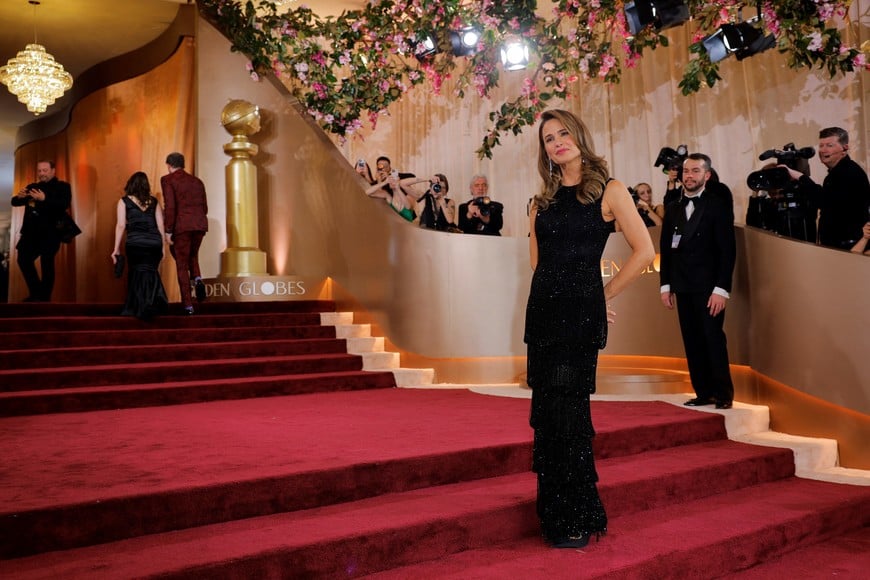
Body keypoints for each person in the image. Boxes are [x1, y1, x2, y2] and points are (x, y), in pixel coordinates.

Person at [524, 109, 654, 549]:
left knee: (569, 416)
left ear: (579, 136)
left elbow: (644, 251)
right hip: (542, 315)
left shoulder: (610, 190)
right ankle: (552, 509)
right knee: (546, 416)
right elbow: (537, 266)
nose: (557, 142)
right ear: (543, 151)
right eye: (548, 139)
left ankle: (575, 513)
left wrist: (601, 297)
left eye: (563, 133)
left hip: (578, 319)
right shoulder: (539, 202)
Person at [660, 153, 737, 410]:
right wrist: (666, 285)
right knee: (691, 340)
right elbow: (666, 249)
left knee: (713, 338)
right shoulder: (673, 207)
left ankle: (723, 394)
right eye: (686, 171)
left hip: (709, 287)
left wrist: (721, 289)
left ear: (707, 175)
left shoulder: (717, 205)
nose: (689, 176)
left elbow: (728, 251)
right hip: (682, 286)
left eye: (695, 171)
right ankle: (703, 392)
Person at [783, 127, 870, 250]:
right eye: (821, 145)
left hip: (850, 247)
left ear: (845, 148)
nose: (823, 150)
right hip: (838, 246)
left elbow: (825, 201)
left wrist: (800, 177)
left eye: (829, 145)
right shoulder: (836, 173)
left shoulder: (850, 172)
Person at [11, 160, 72, 302]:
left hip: (51, 233)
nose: (42, 174)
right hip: (30, 233)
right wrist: (18, 197)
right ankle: (37, 293)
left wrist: (44, 198)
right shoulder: (33, 186)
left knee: (47, 263)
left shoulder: (63, 187)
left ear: (53, 171)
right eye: (39, 171)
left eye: (45, 170)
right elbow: (15, 202)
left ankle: (43, 298)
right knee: (23, 259)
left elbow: (64, 205)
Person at [111, 172, 169, 319]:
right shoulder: (154, 201)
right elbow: (160, 225)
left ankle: (137, 306)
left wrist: (116, 249)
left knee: (136, 272)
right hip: (154, 242)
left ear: (131, 184)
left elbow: (121, 225)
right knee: (151, 272)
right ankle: (152, 304)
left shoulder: (124, 201)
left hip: (135, 243)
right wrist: (162, 246)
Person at [161, 152, 209, 314]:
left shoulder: (168, 180)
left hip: (182, 226)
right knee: (192, 256)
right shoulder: (197, 181)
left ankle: (188, 305)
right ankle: (197, 278)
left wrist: (168, 231)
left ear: (169, 165)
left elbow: (171, 207)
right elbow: (205, 207)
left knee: (181, 264)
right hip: (200, 224)